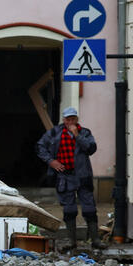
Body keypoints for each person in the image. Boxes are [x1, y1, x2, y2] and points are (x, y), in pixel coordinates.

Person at [36, 106, 104, 251]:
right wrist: (51, 161)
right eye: (68, 119)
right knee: (69, 210)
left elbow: (91, 149)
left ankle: (96, 240)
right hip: (64, 176)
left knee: (89, 209)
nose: (71, 121)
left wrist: (77, 135)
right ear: (64, 120)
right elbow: (40, 147)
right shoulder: (54, 132)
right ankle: (71, 241)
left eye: (73, 119)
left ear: (77, 119)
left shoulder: (85, 132)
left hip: (83, 175)